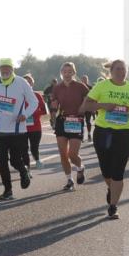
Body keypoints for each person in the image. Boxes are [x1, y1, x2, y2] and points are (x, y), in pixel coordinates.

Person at [80, 59, 129, 219]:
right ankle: (111, 188)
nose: (121, 72)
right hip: (103, 132)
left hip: (124, 133)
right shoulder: (102, 86)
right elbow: (87, 105)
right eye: (118, 69)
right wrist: (103, 105)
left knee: (118, 171)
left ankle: (113, 206)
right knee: (106, 170)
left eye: (123, 69)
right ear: (111, 71)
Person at [0, 58, 38, 201]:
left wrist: (25, 115)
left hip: (17, 130)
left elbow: (34, 102)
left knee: (15, 161)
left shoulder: (21, 82)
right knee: (1, 161)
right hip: (0, 130)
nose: (4, 70)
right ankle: (7, 190)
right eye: (2, 68)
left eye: (7, 68)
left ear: (12, 69)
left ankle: (24, 171)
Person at [50, 61, 89, 192]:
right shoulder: (57, 87)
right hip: (62, 120)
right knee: (63, 154)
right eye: (65, 72)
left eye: (70, 72)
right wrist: (53, 116)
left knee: (72, 154)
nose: (67, 74)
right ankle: (69, 180)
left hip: (76, 121)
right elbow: (54, 103)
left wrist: (83, 106)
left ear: (74, 73)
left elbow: (89, 98)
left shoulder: (80, 86)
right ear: (61, 73)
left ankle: (80, 168)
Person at [22, 74, 48, 169]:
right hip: (22, 127)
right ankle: (27, 167)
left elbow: (45, 111)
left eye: (29, 82)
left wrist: (34, 113)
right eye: (25, 82)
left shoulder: (37, 95)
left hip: (35, 127)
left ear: (32, 83)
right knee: (23, 148)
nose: (27, 84)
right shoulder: (19, 96)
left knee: (34, 146)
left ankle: (37, 160)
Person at [80, 75, 94, 141]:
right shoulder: (79, 87)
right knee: (81, 121)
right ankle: (81, 134)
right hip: (81, 107)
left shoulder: (90, 87)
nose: (84, 80)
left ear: (87, 80)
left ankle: (89, 133)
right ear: (81, 80)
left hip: (88, 107)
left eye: (85, 79)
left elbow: (93, 97)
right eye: (83, 79)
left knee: (88, 121)